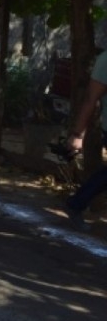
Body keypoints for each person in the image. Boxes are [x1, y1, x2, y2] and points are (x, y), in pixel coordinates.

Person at [63, 50, 107, 230]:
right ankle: (76, 203)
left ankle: (76, 203)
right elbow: (91, 98)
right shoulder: (105, 60)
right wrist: (77, 135)